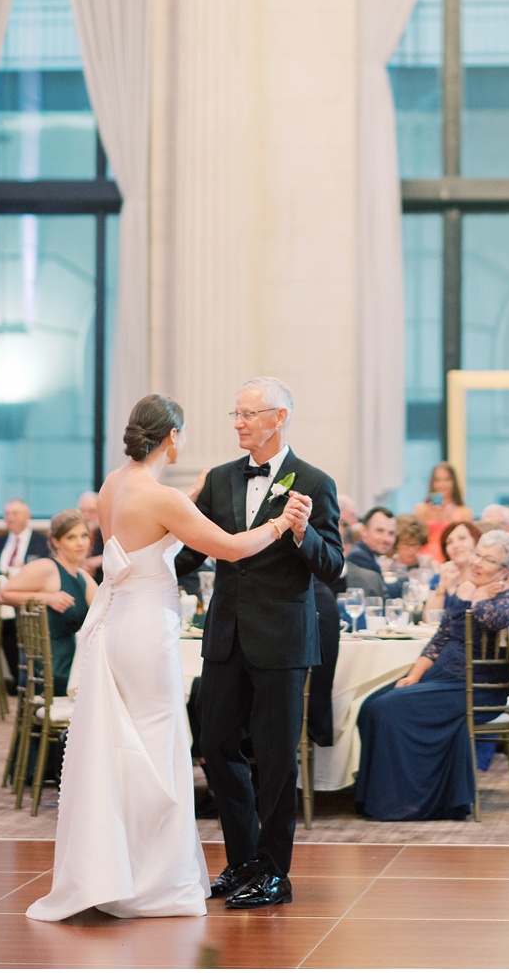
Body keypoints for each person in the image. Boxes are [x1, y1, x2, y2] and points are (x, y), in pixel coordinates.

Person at [25, 394, 314, 921]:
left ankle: (117, 866)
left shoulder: (116, 483)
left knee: (123, 744)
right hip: (144, 631)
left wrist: (195, 491)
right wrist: (279, 525)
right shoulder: (162, 499)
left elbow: (153, 521)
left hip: (115, 623)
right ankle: (153, 879)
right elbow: (228, 547)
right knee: (158, 745)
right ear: (172, 437)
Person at [169, 377, 344, 910]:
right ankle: (243, 861)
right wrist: (140, 564)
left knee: (274, 759)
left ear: (279, 418)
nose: (239, 423)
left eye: (249, 414)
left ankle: (274, 872)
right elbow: (192, 556)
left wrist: (301, 532)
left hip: (282, 641)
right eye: (236, 415)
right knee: (217, 748)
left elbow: (333, 566)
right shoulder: (220, 479)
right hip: (224, 635)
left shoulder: (315, 480)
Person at [352, 529, 509, 821]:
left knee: (388, 708)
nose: (477, 562)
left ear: (504, 570)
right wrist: (413, 675)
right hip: (442, 678)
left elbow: (490, 619)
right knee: (370, 704)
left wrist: (478, 595)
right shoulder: (465, 588)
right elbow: (440, 638)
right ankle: (376, 797)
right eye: (478, 554)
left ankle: (408, 803)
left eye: (488, 559)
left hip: (477, 685)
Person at [0, 511, 98, 693]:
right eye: (71, 537)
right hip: (51, 668)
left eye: (84, 536)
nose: (80, 542)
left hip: (73, 661)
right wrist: (47, 598)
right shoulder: (47, 567)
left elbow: (104, 610)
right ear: (56, 542)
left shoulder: (82, 576)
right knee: (104, 683)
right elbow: (3, 595)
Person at [424, 517, 483, 615]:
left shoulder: (484, 578)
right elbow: (429, 619)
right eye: (449, 542)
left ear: (476, 541)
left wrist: (452, 589)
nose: (455, 545)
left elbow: (470, 619)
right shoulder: (439, 578)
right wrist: (442, 585)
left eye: (462, 538)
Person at [342, 507, 402, 600]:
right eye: (379, 531)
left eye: (391, 533)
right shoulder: (358, 557)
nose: (386, 539)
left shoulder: (371, 555)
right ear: (364, 531)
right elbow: (382, 597)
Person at [413, 461, 471, 556]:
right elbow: (416, 539)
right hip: (426, 558)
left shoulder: (465, 512)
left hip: (453, 558)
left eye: (447, 480)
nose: (442, 484)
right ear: (432, 483)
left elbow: (467, 543)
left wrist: (450, 519)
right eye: (437, 480)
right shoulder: (421, 509)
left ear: (453, 482)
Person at [0, 499, 49, 573]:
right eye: (7, 514)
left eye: (15, 513)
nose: (10, 517)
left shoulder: (43, 543)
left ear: (27, 515)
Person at [75, 491, 106, 575]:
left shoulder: (109, 532)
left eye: (91, 511)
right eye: (82, 511)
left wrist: (101, 559)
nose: (86, 516)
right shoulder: (72, 533)